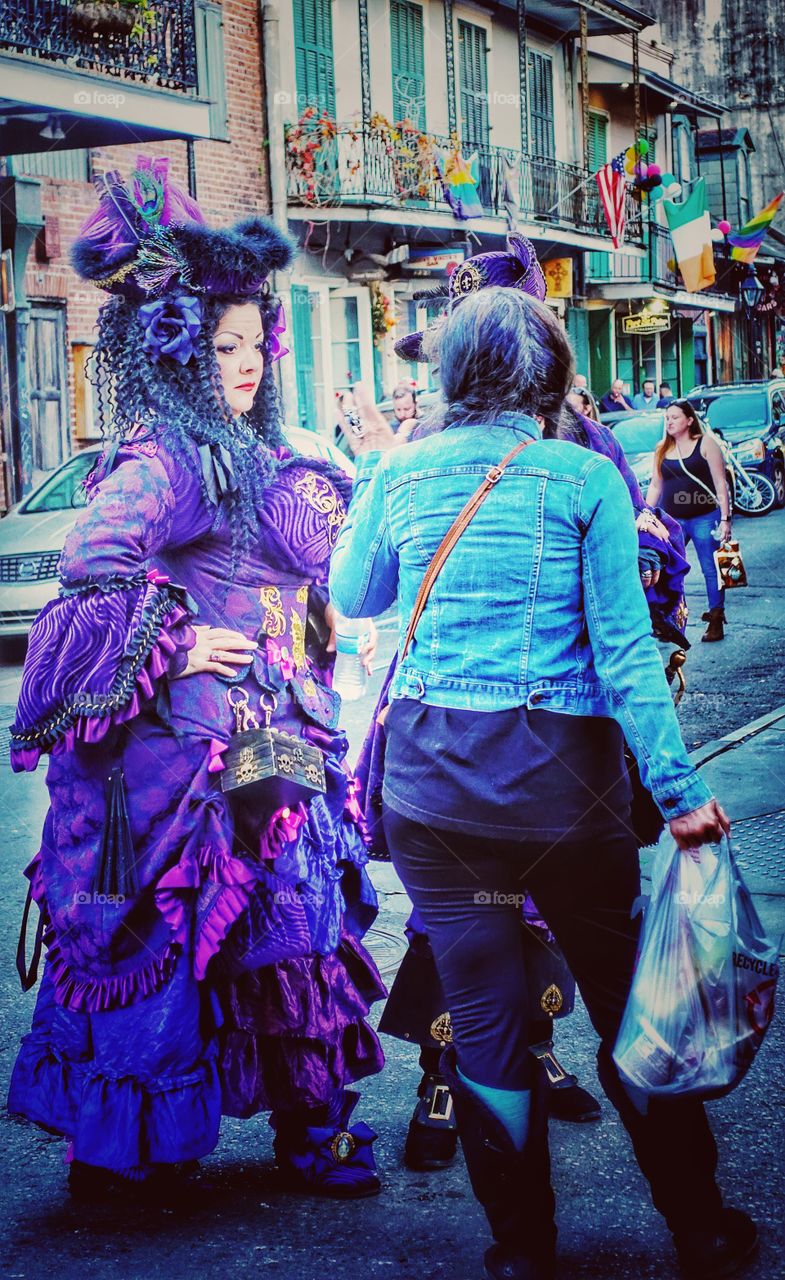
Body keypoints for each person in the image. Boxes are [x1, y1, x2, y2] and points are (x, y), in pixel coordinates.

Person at [329, 289, 755, 1280]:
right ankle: (697, 1225)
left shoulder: (399, 470)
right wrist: (679, 790)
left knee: (479, 1015)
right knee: (624, 1003)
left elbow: (353, 594)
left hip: (436, 796)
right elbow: (622, 657)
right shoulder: (580, 478)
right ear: (552, 379)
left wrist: (374, 466)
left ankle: (520, 1248)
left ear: (450, 378)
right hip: (564, 798)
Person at [7, 158, 385, 1204]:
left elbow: (316, 561)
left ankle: (309, 1133)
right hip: (189, 757)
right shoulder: (167, 456)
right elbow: (93, 560)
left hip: (275, 730)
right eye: (221, 346)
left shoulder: (255, 452)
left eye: (254, 341)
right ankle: (125, 1152)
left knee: (294, 927)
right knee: (191, 935)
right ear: (176, 353)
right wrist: (174, 646)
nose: (249, 361)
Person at [647, 399, 732, 643]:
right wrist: (645, 512)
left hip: (705, 517)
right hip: (672, 520)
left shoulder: (706, 444)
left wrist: (725, 518)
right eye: (667, 418)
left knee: (710, 569)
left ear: (689, 420)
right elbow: (656, 485)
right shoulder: (662, 448)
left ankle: (716, 618)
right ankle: (667, 620)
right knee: (664, 569)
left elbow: (720, 484)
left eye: (674, 417)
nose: (669, 421)